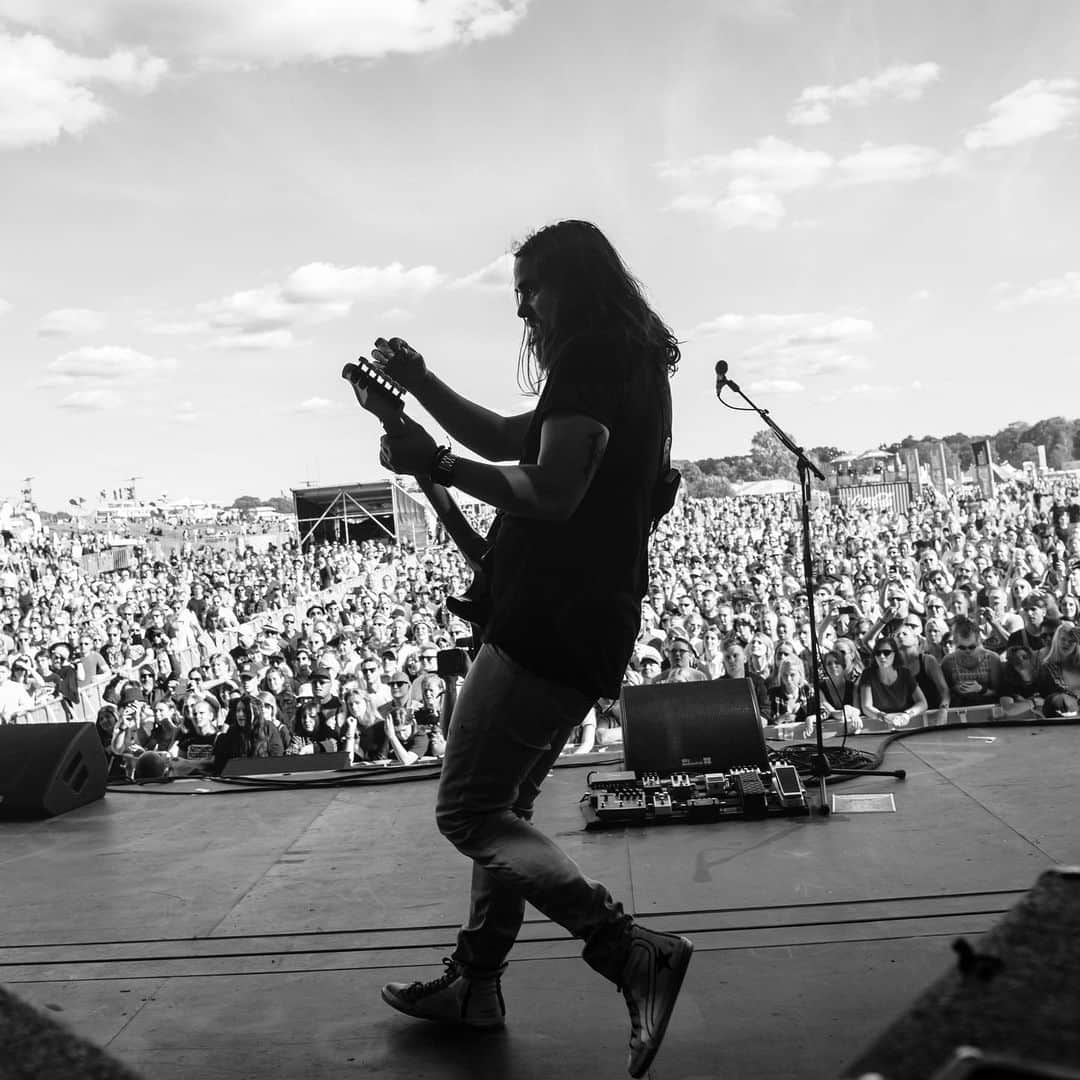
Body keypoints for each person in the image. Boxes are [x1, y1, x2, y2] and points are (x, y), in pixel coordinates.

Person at [371, 219, 692, 1077]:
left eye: (533, 289)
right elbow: (511, 439)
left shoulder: (595, 363)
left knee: (469, 813)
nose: (523, 308)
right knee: (504, 808)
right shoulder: (632, 369)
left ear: (574, 285)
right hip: (583, 620)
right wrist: (423, 387)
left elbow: (547, 490)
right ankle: (474, 985)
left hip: (549, 620)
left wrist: (433, 462)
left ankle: (626, 949)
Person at [859, 635, 928, 729]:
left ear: (895, 654)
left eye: (886, 652)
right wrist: (884, 717)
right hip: (876, 727)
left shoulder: (905, 674)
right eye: (878, 653)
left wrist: (907, 715)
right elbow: (866, 707)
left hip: (906, 726)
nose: (882, 656)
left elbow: (922, 703)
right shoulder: (868, 674)